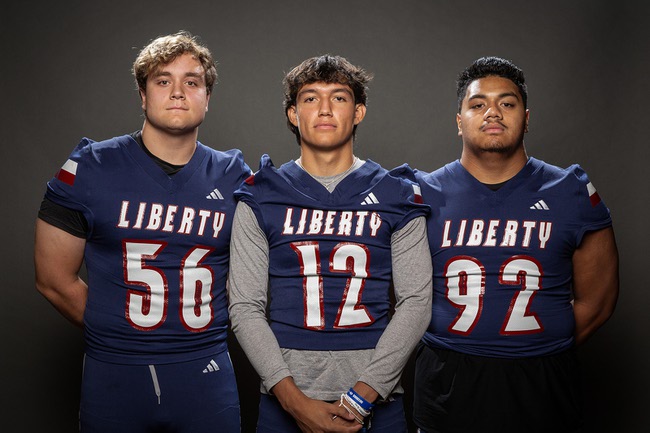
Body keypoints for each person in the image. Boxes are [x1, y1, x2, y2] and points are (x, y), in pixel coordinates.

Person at [34, 31, 250, 432]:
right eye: (163, 80)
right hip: (115, 371)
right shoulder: (90, 167)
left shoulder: (235, 175)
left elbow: (256, 279)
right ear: (142, 94)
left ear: (207, 96)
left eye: (192, 82)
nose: (178, 92)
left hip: (204, 367)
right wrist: (117, 329)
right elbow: (52, 279)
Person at [413, 56, 619, 433]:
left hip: (542, 381)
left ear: (526, 117)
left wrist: (536, 347)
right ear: (459, 122)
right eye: (477, 105)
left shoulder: (569, 190)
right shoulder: (423, 192)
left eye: (507, 103)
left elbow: (599, 300)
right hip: (448, 379)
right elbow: (399, 295)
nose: (493, 112)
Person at [228, 54, 433, 432]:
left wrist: (363, 395)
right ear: (293, 114)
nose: (324, 108)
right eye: (310, 98)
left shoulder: (397, 193)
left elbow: (417, 302)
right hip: (284, 400)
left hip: (377, 401)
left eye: (339, 97)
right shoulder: (261, 194)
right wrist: (294, 401)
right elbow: (244, 306)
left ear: (359, 112)